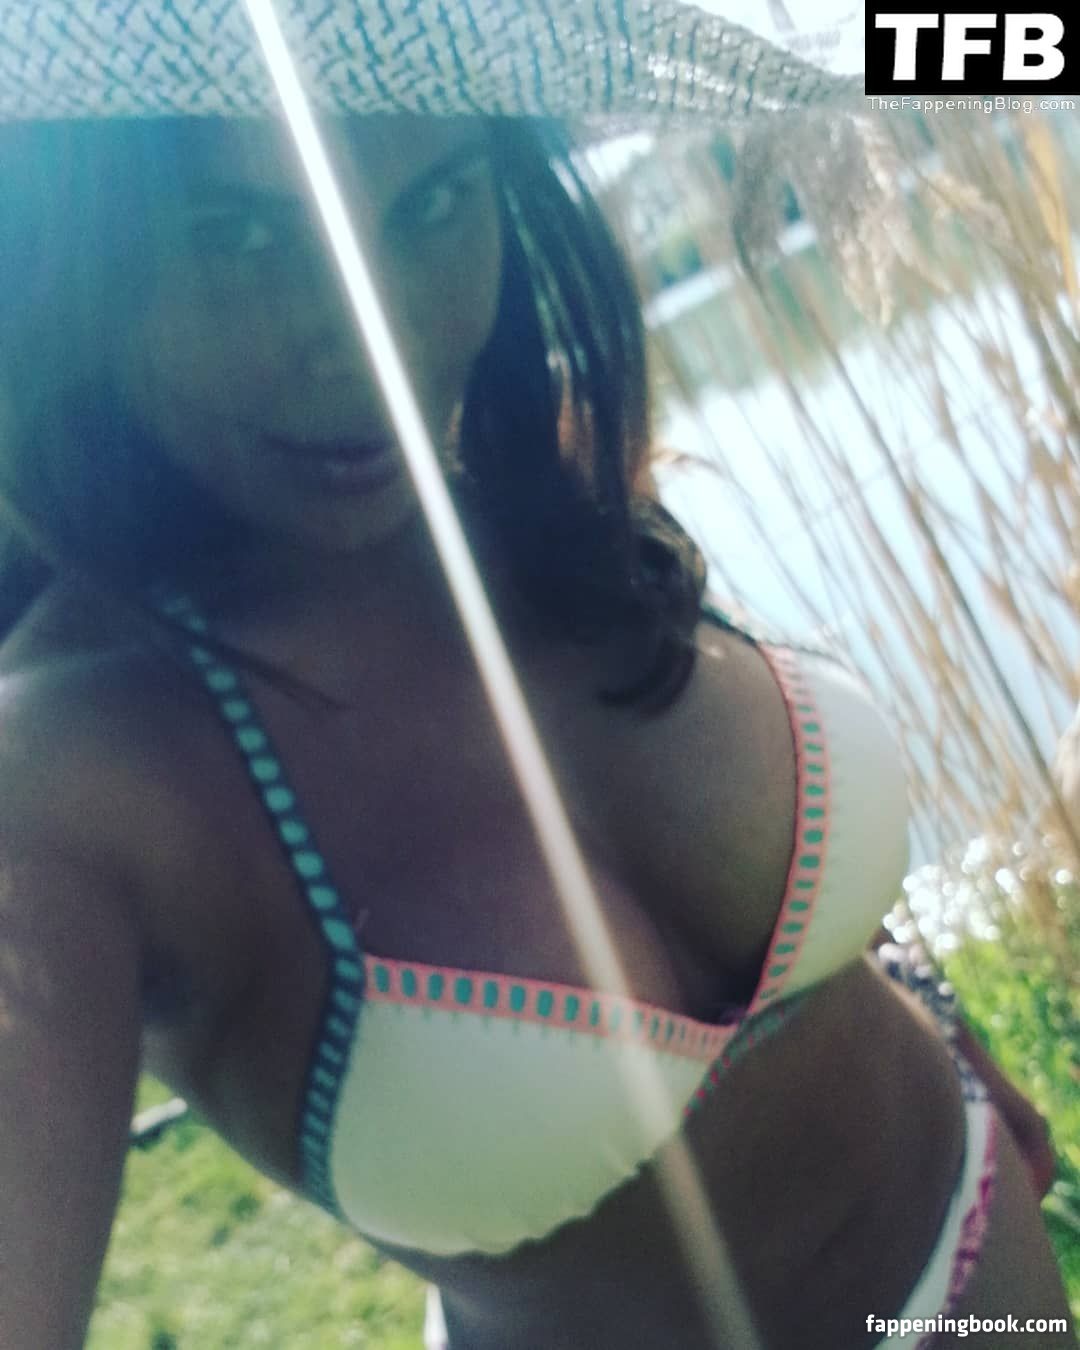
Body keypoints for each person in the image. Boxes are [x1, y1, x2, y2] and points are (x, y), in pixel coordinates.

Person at [0, 4, 1073, 1348]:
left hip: (988, 1248)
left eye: (436, 202)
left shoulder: (530, 493)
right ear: (64, 267)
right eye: (241, 239)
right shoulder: (66, 773)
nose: (377, 338)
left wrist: (935, 1010)